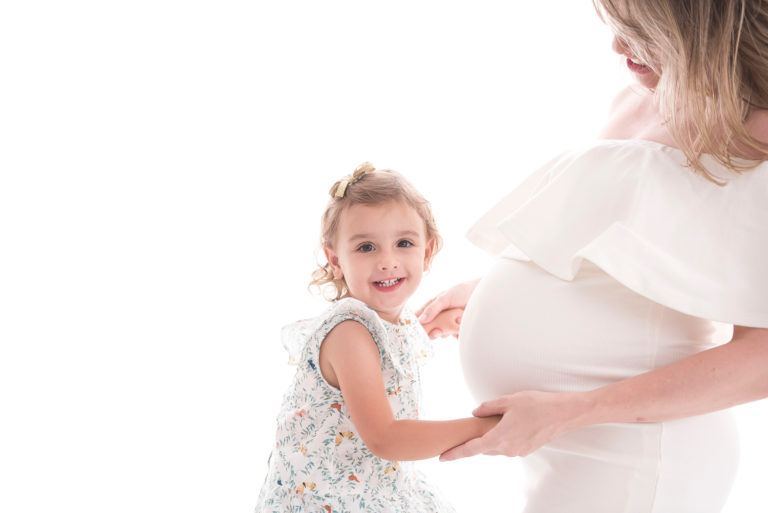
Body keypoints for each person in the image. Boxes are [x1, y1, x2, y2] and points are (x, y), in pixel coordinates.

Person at [417, 0, 768, 511]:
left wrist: (574, 410)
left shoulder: (757, 137)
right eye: (616, 26)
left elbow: (762, 357)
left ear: (702, 30)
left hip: (635, 453)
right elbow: (619, 248)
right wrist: (490, 290)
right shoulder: (634, 99)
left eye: (639, 31)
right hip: (562, 439)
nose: (617, 47)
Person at [255, 163, 499, 513]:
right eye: (366, 247)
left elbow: (388, 357)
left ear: (426, 252)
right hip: (328, 501)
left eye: (403, 243)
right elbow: (386, 437)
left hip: (374, 488)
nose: (387, 261)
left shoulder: (383, 323)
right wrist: (486, 427)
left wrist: (432, 325)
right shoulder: (347, 334)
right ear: (336, 260)